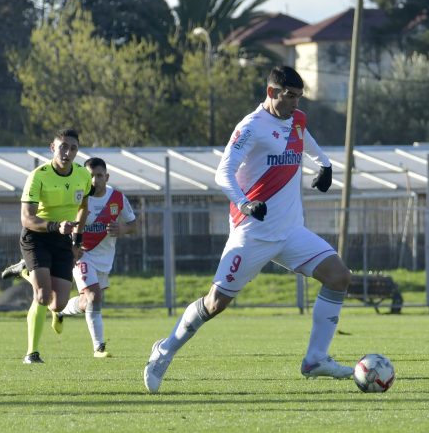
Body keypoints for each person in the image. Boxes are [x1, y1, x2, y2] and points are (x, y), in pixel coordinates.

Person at [143, 65, 353, 394]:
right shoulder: (251, 127)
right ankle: (165, 350)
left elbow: (305, 139)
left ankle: (315, 359)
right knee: (215, 304)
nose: (296, 104)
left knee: (339, 276)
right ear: (271, 93)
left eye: (299, 97)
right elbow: (222, 173)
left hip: (291, 232)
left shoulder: (296, 119)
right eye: (290, 96)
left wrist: (324, 164)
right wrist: (244, 203)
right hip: (252, 232)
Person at [2, 157, 135, 358]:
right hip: (80, 253)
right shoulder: (78, 196)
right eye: (90, 176)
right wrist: (75, 245)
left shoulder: (117, 199)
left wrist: (123, 228)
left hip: (103, 259)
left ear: (106, 177)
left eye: (99, 176)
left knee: (79, 303)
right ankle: (99, 348)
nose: (94, 180)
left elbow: (134, 225)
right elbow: (68, 222)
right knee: (93, 296)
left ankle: (60, 311)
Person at [15, 129, 92, 364]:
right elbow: (27, 218)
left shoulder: (82, 175)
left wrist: (77, 241)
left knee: (57, 303)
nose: (67, 152)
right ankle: (32, 353)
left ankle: (25, 271)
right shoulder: (39, 176)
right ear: (52, 148)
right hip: (36, 236)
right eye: (63, 147)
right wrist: (56, 225)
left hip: (63, 239)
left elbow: (83, 208)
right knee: (42, 296)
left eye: (73, 148)